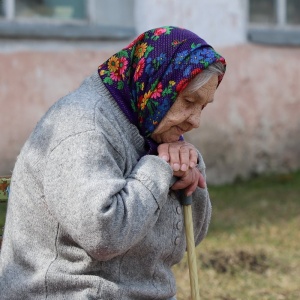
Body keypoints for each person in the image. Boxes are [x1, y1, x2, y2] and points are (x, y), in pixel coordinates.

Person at [0, 26, 226, 299]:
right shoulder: (83, 126)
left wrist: (188, 174)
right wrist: (159, 168)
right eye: (189, 101)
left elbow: (190, 239)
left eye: (203, 107)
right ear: (156, 84)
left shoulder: (150, 127)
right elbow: (103, 235)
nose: (195, 121)